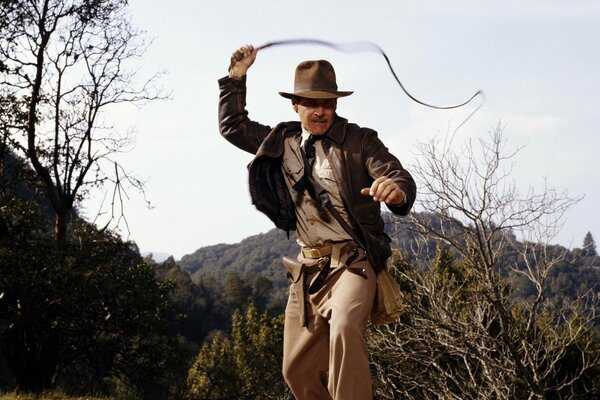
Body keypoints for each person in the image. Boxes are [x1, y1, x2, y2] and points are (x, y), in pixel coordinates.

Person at [218, 44, 416, 400]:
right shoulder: (282, 141)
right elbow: (233, 127)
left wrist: (396, 192)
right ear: (295, 104)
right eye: (312, 103)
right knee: (296, 370)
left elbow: (397, 176)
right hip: (307, 269)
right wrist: (236, 78)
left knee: (344, 328)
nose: (321, 111)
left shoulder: (359, 141)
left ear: (336, 105)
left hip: (352, 265)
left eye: (328, 103)